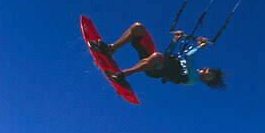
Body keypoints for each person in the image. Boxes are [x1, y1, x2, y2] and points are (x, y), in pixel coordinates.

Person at [93, 22, 226, 89]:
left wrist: (200, 46)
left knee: (158, 57)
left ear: (207, 81)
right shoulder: (192, 69)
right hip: (157, 59)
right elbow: (170, 55)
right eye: (208, 70)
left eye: (208, 76)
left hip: (157, 71)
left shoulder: (194, 78)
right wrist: (176, 40)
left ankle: (124, 75)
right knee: (138, 28)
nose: (205, 72)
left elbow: (190, 57)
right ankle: (111, 49)